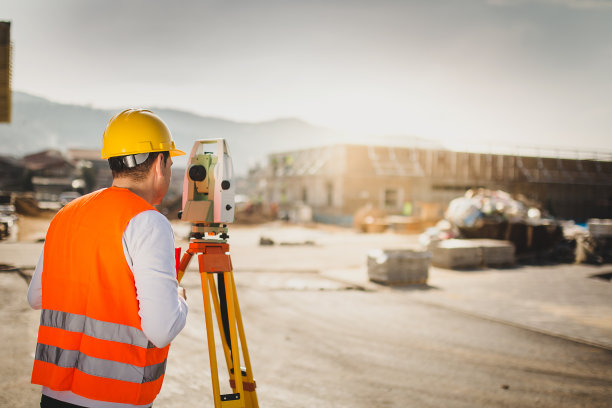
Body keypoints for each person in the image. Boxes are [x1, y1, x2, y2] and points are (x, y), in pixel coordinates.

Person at [27, 109, 189, 408]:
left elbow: (37, 296)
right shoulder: (148, 221)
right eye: (169, 161)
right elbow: (162, 328)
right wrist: (179, 298)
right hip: (116, 397)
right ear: (158, 164)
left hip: (55, 394)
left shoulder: (67, 214)